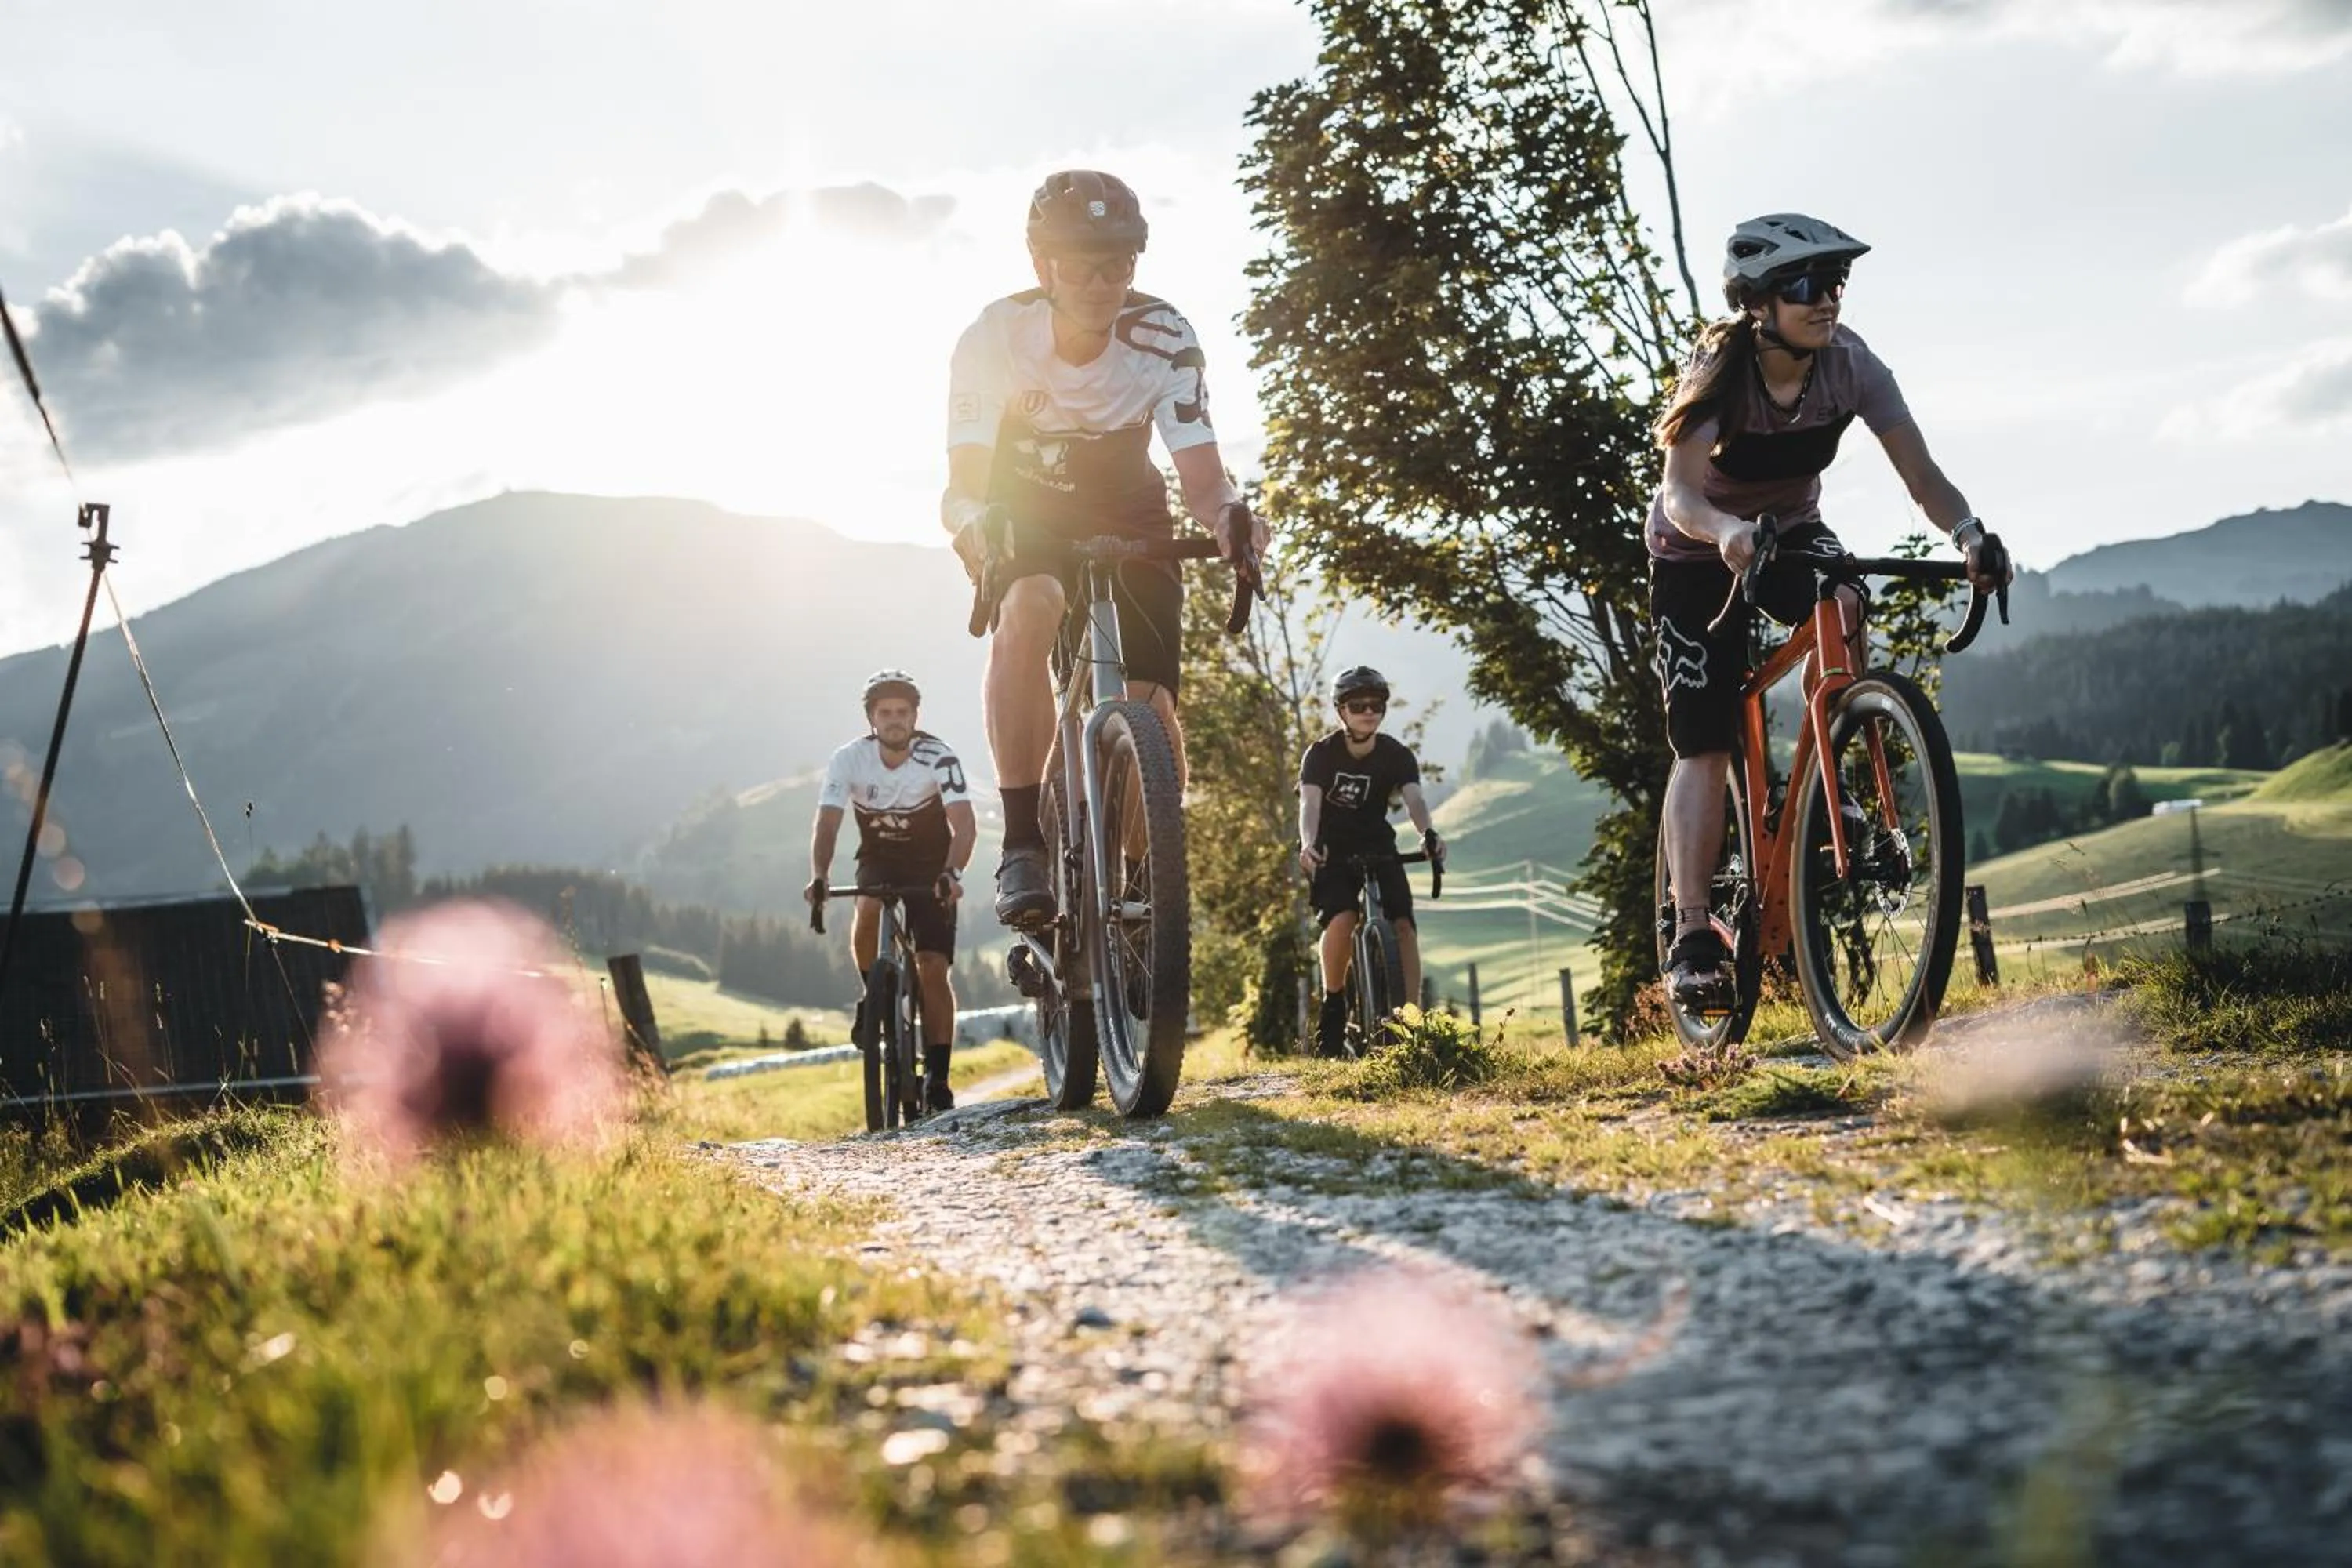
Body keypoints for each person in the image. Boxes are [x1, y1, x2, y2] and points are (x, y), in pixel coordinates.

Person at [1649, 213, 2012, 1009]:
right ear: (1758, 301)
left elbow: (1923, 475)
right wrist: (1725, 531)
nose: (1828, 301)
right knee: (1704, 740)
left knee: (1843, 595)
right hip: (1693, 546)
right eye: (1807, 286)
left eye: (1836, 283)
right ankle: (1696, 933)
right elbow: (1679, 491)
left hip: (1790, 532)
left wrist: (1971, 533)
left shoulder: (1852, 366)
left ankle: (1828, 769)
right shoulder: (1721, 366)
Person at [939, 169, 1267, 929]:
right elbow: (963, 482)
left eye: (1120, 261)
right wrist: (978, 524)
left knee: (1149, 706)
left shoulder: (1165, 337)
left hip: (1128, 503)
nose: (1102, 280)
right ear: (1041, 265)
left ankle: (1145, 891)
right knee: (1033, 600)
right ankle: (1023, 840)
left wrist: (1230, 519)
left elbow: (1206, 484)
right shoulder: (992, 340)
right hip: (1023, 502)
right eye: (1082, 261)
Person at [804, 670, 975, 1112]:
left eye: (903, 713)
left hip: (932, 865)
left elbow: (965, 825)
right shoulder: (849, 759)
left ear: (915, 716)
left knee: (932, 967)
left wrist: (952, 872)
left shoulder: (939, 756)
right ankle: (873, 996)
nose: (895, 720)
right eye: (886, 713)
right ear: (871, 720)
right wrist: (820, 875)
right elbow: (827, 822)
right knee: (866, 909)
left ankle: (937, 1076)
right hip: (879, 858)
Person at [1297, 666, 1446, 1056]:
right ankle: (1334, 1003)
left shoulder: (1395, 754)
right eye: (1358, 706)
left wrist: (1427, 835)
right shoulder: (1321, 754)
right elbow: (1309, 804)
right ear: (1341, 711)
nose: (1368, 712)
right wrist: (1308, 843)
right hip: (1332, 846)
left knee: (1404, 927)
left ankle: (1411, 1021)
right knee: (1343, 919)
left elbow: (1414, 799)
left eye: (1376, 706)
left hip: (1378, 842)